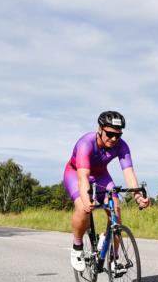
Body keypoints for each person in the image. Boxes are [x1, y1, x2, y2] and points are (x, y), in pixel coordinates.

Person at [64, 111, 151, 271]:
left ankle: (113, 259)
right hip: (76, 174)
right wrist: (86, 199)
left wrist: (138, 196)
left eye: (118, 135)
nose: (113, 139)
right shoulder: (86, 143)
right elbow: (83, 177)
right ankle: (77, 247)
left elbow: (129, 173)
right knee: (83, 209)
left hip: (101, 176)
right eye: (109, 134)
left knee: (116, 215)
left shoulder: (122, 145)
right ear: (100, 129)